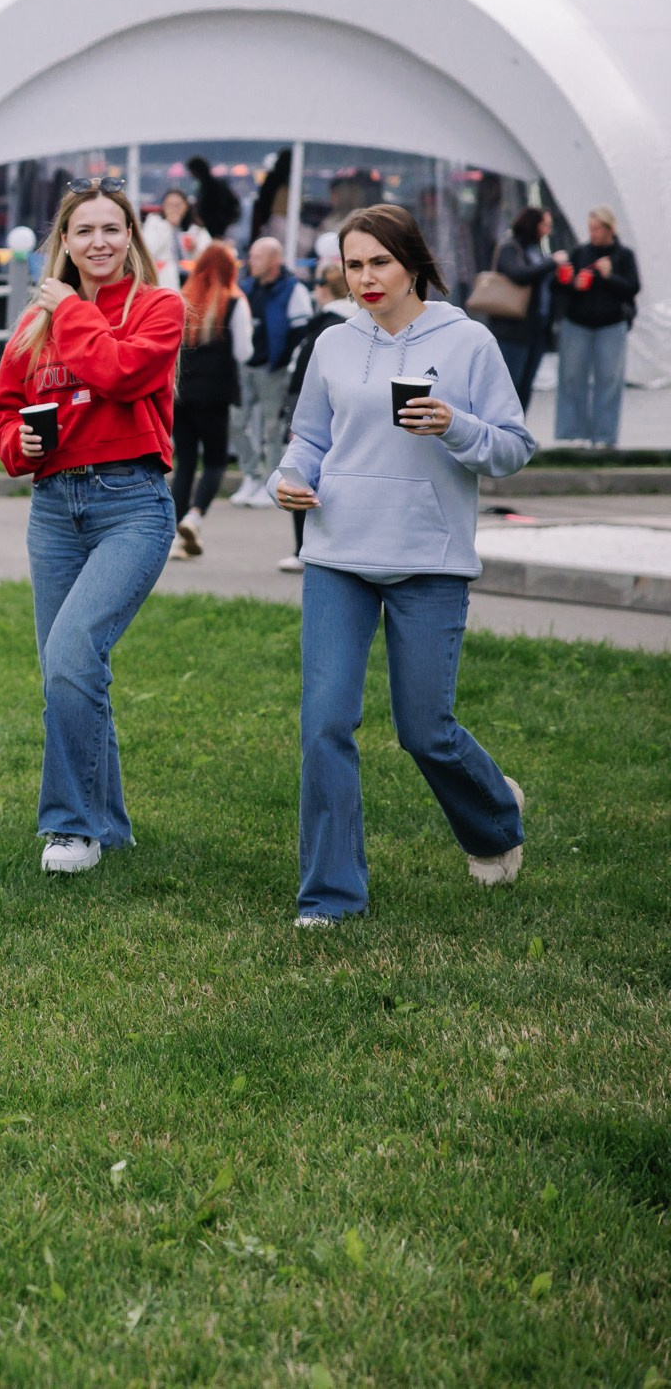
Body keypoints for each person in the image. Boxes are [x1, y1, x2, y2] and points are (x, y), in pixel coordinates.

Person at [271, 205, 535, 925]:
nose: (365, 279)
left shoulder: (468, 340)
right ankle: (330, 895)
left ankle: (494, 817)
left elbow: (513, 446)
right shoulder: (332, 343)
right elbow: (308, 442)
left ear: (413, 262)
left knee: (425, 730)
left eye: (379, 262)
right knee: (324, 723)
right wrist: (286, 481)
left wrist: (457, 425)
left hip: (430, 557)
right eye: (353, 265)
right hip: (337, 552)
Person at [0, 179, 182, 876]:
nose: (99, 241)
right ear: (64, 242)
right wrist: (20, 445)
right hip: (54, 508)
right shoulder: (34, 323)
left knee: (72, 653)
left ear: (131, 237)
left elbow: (120, 373)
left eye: (112, 228)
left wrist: (69, 309)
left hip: (132, 503)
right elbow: (2, 410)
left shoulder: (158, 309)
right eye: (84, 230)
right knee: (67, 670)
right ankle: (109, 825)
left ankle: (71, 828)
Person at [168, 239, 251, 559]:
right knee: (215, 461)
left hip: (181, 393)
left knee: (185, 461)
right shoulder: (234, 302)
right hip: (215, 394)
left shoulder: (182, 300)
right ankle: (195, 515)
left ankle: (176, 534)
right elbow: (244, 351)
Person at [276, 262, 356, 574]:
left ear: (326, 287)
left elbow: (309, 374)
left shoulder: (330, 325)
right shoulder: (347, 322)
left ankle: (302, 548)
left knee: (299, 474)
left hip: (310, 410)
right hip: (324, 412)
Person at [551, 206, 641, 448]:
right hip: (577, 323)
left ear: (609, 229)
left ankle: (604, 436)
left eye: (598, 228)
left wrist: (609, 276)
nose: (593, 233)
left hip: (612, 324)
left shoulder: (623, 256)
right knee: (571, 377)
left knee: (609, 380)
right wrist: (571, 283)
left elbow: (632, 288)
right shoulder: (581, 252)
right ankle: (572, 434)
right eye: (591, 229)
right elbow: (560, 286)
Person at [230, 236, 311, 505]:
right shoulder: (247, 287)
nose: (251, 262)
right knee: (235, 422)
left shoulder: (292, 289)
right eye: (251, 256)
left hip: (272, 369)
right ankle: (251, 474)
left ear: (275, 260)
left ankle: (272, 482)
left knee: (272, 429)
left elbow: (301, 330)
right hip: (246, 365)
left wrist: (283, 361)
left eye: (258, 257)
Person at [473, 207, 552, 411]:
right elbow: (517, 274)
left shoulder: (536, 250)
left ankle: (518, 433)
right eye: (545, 225)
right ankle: (501, 431)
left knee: (525, 385)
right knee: (509, 385)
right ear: (532, 224)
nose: (548, 230)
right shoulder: (510, 247)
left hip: (535, 327)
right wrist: (551, 264)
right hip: (512, 329)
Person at [140, 189, 201, 288]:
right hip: (165, 279)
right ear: (163, 206)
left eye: (178, 205)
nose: (174, 209)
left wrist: (194, 248)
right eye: (170, 205)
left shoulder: (194, 227)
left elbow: (206, 255)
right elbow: (148, 250)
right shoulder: (154, 222)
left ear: (185, 206)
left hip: (190, 280)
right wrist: (168, 226)